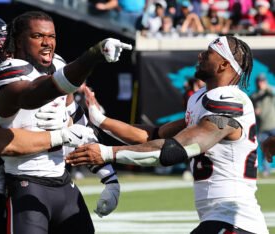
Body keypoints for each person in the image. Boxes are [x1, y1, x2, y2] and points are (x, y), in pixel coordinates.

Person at [67, 36, 269, 234]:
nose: (200, 55)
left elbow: (174, 150)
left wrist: (107, 153)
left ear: (223, 64)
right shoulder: (201, 98)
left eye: (208, 53)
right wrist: (101, 120)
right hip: (219, 220)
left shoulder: (229, 101)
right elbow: (153, 135)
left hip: (235, 221)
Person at [0, 14, 104, 234]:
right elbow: (1, 143)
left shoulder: (17, 77)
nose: (8, 45)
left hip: (21, 188)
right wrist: (62, 134)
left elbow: (68, 115)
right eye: (0, 40)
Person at [0, 11, 130, 234]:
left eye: (51, 36)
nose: (47, 43)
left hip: (63, 183)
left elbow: (79, 124)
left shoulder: (58, 64)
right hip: (26, 183)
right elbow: (35, 93)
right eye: (37, 36)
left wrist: (109, 178)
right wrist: (93, 55)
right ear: (18, 41)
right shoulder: (9, 70)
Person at [251, 74, 275, 177]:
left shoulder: (270, 92)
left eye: (263, 81)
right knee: (266, 150)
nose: (261, 83)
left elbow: (273, 91)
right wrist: (254, 110)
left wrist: (266, 87)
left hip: (273, 125)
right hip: (262, 128)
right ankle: (266, 171)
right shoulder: (253, 96)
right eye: (259, 81)